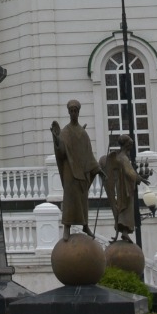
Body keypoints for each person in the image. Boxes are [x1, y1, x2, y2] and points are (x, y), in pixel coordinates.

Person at [50, 99, 100, 237]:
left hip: (82, 172)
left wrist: (97, 168)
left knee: (83, 198)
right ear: (68, 112)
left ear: (78, 112)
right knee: (69, 198)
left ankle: (85, 225)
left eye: (75, 111)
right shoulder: (65, 132)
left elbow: (89, 153)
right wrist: (56, 140)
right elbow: (61, 152)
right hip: (69, 171)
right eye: (71, 111)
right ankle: (67, 226)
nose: (73, 113)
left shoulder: (83, 134)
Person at [100, 133, 147, 243]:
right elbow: (129, 172)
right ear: (127, 146)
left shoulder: (120, 156)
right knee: (125, 209)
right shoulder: (123, 158)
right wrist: (139, 178)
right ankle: (124, 232)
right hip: (125, 189)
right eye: (130, 145)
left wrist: (137, 178)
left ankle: (123, 233)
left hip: (125, 187)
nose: (131, 148)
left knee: (123, 208)